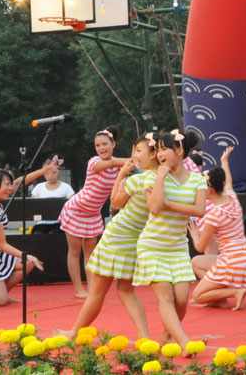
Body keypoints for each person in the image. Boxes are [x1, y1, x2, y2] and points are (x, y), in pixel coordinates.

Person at [55, 135, 160, 339]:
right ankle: (144, 337)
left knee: (97, 292)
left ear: (154, 154)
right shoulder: (164, 180)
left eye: (138, 151)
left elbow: (115, 202)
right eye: (97, 145)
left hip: (116, 237)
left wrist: (122, 173)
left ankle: (73, 333)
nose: (134, 154)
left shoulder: (138, 179)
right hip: (133, 239)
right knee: (126, 291)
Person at [133, 129, 207, 349]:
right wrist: (161, 177)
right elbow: (155, 208)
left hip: (178, 248)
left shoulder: (197, 180)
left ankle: (166, 337)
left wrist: (169, 204)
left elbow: (199, 210)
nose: (160, 154)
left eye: (165, 149)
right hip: (152, 246)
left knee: (182, 301)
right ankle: (185, 342)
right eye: (158, 150)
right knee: (165, 297)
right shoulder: (153, 176)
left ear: (180, 151)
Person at [59, 127, 128, 298]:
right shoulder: (94, 161)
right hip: (75, 210)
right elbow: (111, 163)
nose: (101, 148)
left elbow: (120, 183)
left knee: (90, 253)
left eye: (105, 144)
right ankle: (78, 289)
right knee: (75, 252)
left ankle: (92, 289)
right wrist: (132, 159)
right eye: (98, 145)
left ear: (113, 144)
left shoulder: (119, 168)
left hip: (93, 214)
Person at [188, 147, 246, 310]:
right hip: (245, 258)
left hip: (231, 262)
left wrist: (195, 235)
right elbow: (228, 181)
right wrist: (224, 160)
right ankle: (219, 298)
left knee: (198, 296)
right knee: (196, 262)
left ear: (210, 188)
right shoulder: (232, 198)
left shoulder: (214, 215)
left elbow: (200, 247)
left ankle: (235, 292)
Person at [0, 169, 44, 306]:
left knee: (27, 263)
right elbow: (2, 244)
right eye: (7, 185)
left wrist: (43, 171)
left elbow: (18, 183)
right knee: (0, 301)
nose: (10, 188)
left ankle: (0, 292)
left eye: (10, 185)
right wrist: (28, 255)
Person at [31, 154, 74, 233]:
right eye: (47, 173)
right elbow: (33, 206)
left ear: (59, 171)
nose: (50, 175)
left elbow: (73, 205)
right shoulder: (38, 187)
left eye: (54, 172)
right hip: (42, 223)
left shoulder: (66, 188)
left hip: (60, 223)